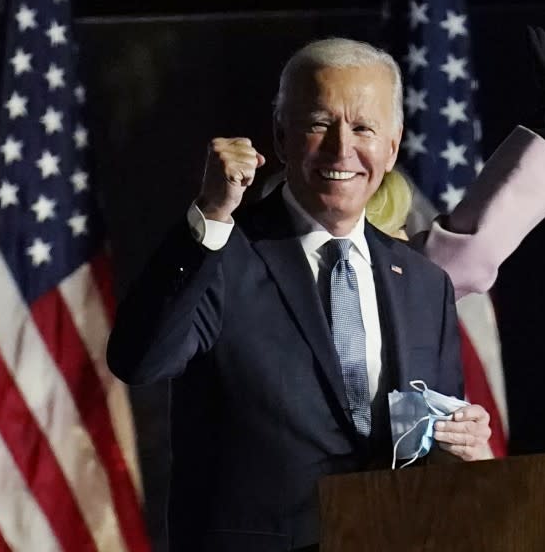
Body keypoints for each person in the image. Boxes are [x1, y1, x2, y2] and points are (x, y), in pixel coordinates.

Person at [107, 38, 491, 552]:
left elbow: (429, 443)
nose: (341, 149)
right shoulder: (222, 253)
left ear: (392, 146)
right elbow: (140, 361)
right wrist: (212, 215)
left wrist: (461, 441)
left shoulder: (423, 282)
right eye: (318, 124)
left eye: (363, 128)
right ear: (281, 135)